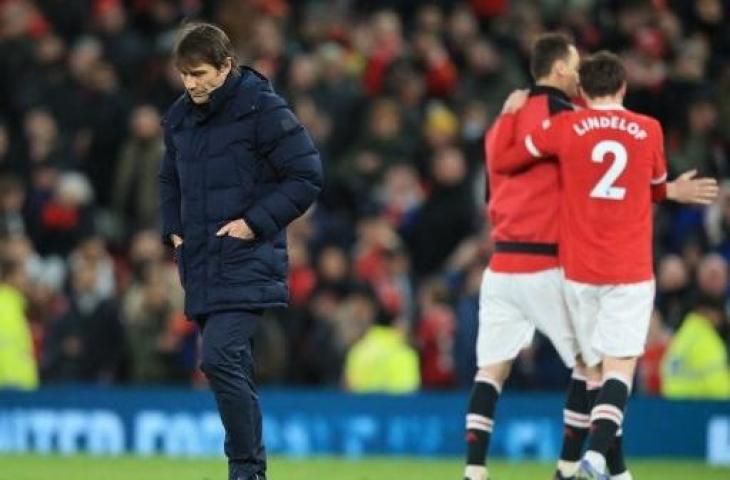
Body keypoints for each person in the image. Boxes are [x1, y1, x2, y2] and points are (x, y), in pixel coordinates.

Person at [491, 51, 717, 480]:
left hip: (578, 270)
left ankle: (605, 470)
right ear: (623, 88)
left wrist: (510, 116)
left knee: (588, 371)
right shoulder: (647, 129)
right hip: (628, 267)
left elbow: (511, 158)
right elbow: (645, 188)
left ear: (581, 90)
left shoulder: (565, 127)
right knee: (618, 370)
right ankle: (594, 458)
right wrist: (671, 191)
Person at [158, 23, 322, 480]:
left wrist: (254, 223)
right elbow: (168, 178)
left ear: (226, 66)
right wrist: (173, 230)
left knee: (219, 358)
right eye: (184, 75)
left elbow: (306, 174)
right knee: (230, 365)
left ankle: (246, 471)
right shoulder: (180, 117)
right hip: (200, 263)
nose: (190, 84)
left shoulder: (261, 108)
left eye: (199, 73)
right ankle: (252, 470)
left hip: (247, 258)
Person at [464, 33, 602, 480]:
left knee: (491, 371)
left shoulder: (502, 124)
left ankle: (474, 471)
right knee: (591, 366)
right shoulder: (574, 121)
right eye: (576, 65)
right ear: (559, 69)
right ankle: (566, 468)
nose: (580, 74)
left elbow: (490, 193)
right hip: (550, 263)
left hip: (502, 265)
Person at [661, 295, 730, 399]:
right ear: (707, 312)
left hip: (674, 403)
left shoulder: (684, 334)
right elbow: (716, 382)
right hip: (700, 404)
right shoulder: (705, 338)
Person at [0, 259, 38, 390]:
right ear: (9, 278)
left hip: (18, 385)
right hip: (9, 386)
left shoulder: (16, 305)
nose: (26, 280)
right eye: (22, 275)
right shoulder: (4, 306)